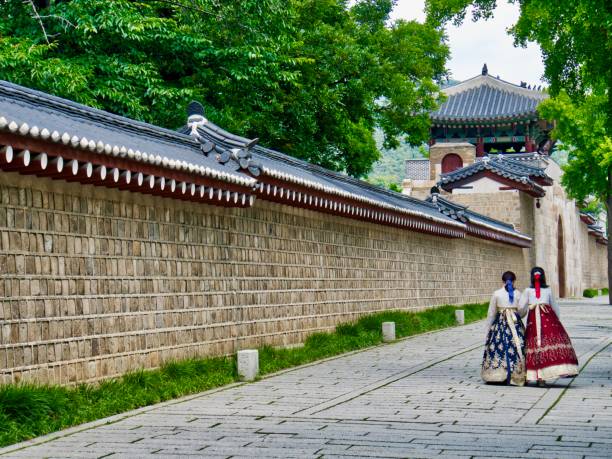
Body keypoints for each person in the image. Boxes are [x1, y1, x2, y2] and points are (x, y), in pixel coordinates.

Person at [519, 267, 578, 384]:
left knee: (535, 345)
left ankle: (535, 375)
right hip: (548, 319)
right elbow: (554, 306)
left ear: (532, 276)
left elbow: (521, 307)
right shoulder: (548, 290)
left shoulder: (527, 291)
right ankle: (544, 376)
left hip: (534, 321)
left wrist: (520, 315)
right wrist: (557, 321)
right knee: (548, 343)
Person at [482, 271, 527, 386]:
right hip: (515, 323)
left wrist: (488, 330)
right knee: (518, 346)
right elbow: (522, 312)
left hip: (499, 324)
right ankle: (516, 374)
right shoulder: (518, 294)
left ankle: (497, 375)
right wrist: (515, 313)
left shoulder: (496, 294)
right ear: (514, 281)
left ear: (502, 281)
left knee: (499, 346)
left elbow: (491, 313)